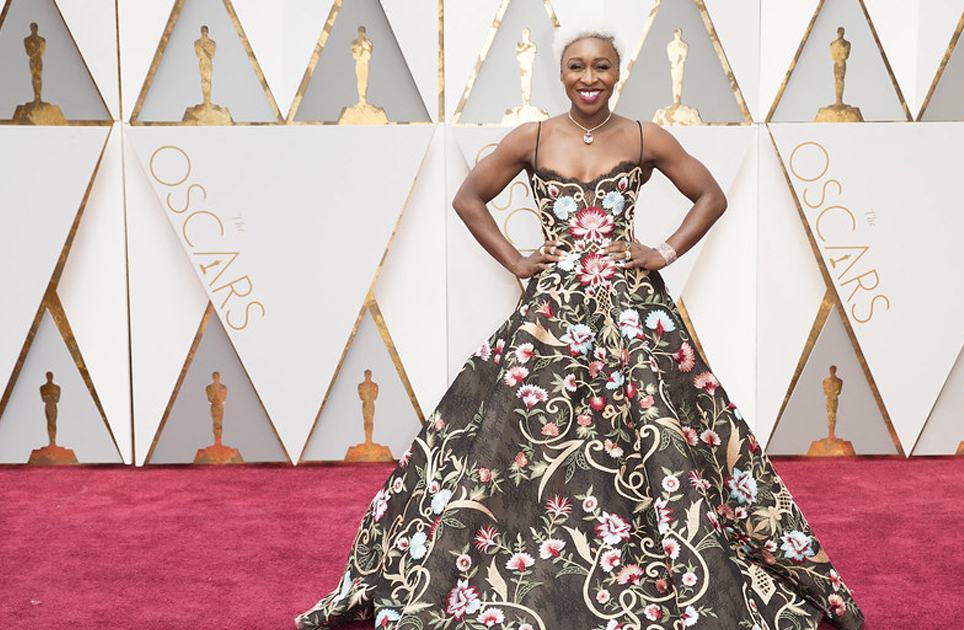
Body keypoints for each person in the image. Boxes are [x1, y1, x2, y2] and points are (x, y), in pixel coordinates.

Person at [297, 24, 864, 630]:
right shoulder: (533, 136)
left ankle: (649, 559)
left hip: (633, 315)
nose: (589, 77)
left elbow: (711, 196)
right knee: (519, 440)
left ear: (617, 73)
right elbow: (468, 198)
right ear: (561, 73)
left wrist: (663, 251)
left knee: (654, 432)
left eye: (600, 66)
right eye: (576, 66)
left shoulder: (645, 136)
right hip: (553, 316)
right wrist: (517, 261)